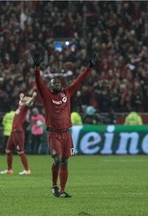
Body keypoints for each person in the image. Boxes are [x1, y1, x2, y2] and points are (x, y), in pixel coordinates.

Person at [33, 53, 97, 198]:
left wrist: (89, 68)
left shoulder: (67, 93)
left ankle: (62, 190)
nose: (56, 85)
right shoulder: (47, 95)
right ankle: (54, 185)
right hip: (53, 133)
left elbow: (78, 81)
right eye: (53, 83)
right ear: (49, 86)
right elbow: (38, 82)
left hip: (66, 133)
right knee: (57, 159)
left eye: (58, 83)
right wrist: (37, 68)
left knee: (65, 161)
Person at [0, 91, 37, 175]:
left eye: (27, 97)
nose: (25, 97)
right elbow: (21, 101)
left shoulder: (25, 107)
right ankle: (9, 170)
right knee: (8, 151)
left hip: (18, 132)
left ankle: (27, 170)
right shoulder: (20, 106)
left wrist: (33, 97)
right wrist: (21, 97)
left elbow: (28, 102)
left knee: (20, 152)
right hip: (13, 132)